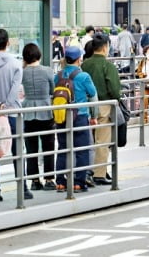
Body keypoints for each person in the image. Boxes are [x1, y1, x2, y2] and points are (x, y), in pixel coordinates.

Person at [0, 28, 33, 202]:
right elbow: (15, 88)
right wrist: (6, 104)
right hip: (12, 112)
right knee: (18, 151)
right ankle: (23, 187)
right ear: (7, 43)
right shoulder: (15, 63)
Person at [54, 46, 98, 193]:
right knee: (82, 151)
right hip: (79, 116)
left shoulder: (58, 75)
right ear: (79, 59)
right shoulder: (83, 76)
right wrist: (94, 116)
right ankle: (79, 183)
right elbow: (92, 95)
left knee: (63, 149)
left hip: (61, 116)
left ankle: (60, 182)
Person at [81, 34, 121, 185]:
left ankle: (87, 171)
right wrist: (117, 97)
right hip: (104, 105)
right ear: (105, 47)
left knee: (88, 140)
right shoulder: (108, 66)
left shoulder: (85, 65)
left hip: (86, 106)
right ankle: (99, 173)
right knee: (102, 141)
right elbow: (115, 89)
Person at [21, 43, 56, 191]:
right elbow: (53, 90)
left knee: (31, 148)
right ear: (39, 55)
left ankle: (35, 180)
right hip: (45, 111)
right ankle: (49, 179)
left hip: (28, 111)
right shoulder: (48, 71)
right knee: (48, 146)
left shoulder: (22, 72)